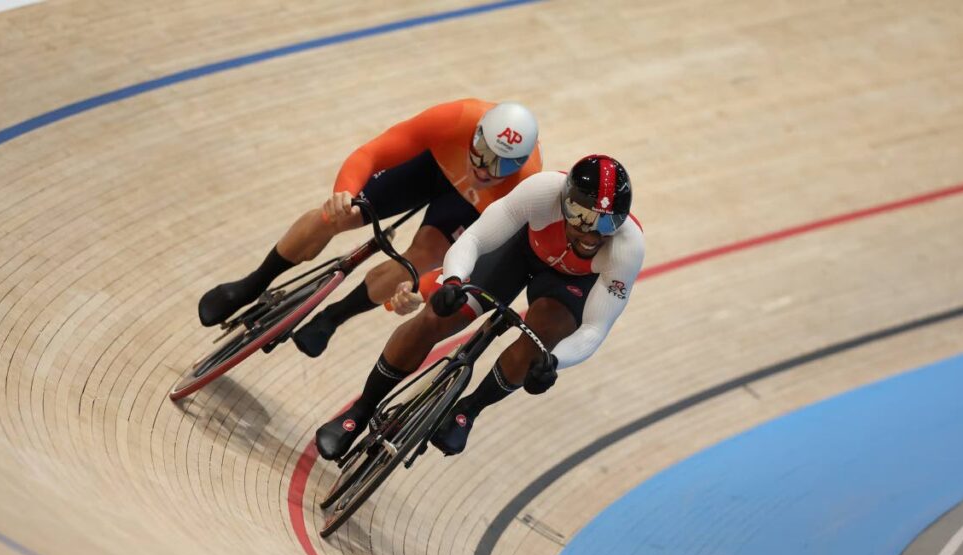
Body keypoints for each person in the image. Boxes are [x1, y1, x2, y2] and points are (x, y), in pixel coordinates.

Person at [315, 155, 645, 461]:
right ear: (564, 202)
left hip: (567, 285)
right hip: (518, 253)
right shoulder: (542, 192)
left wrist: (554, 362)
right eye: (582, 218)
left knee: (541, 344)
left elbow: (595, 328)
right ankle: (360, 410)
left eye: (607, 224)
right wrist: (453, 281)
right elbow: (474, 239)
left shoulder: (627, 248)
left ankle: (468, 410)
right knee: (434, 319)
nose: (592, 234)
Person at [196, 99, 542, 359]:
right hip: (429, 167)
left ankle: (332, 318)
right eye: (481, 153)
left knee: (422, 258)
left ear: (521, 164)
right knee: (337, 216)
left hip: (468, 207)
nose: (484, 170)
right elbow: (371, 153)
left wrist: (420, 289)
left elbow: (474, 255)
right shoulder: (456, 117)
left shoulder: (522, 189)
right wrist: (343, 192)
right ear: (475, 134)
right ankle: (252, 284)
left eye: (501, 165)